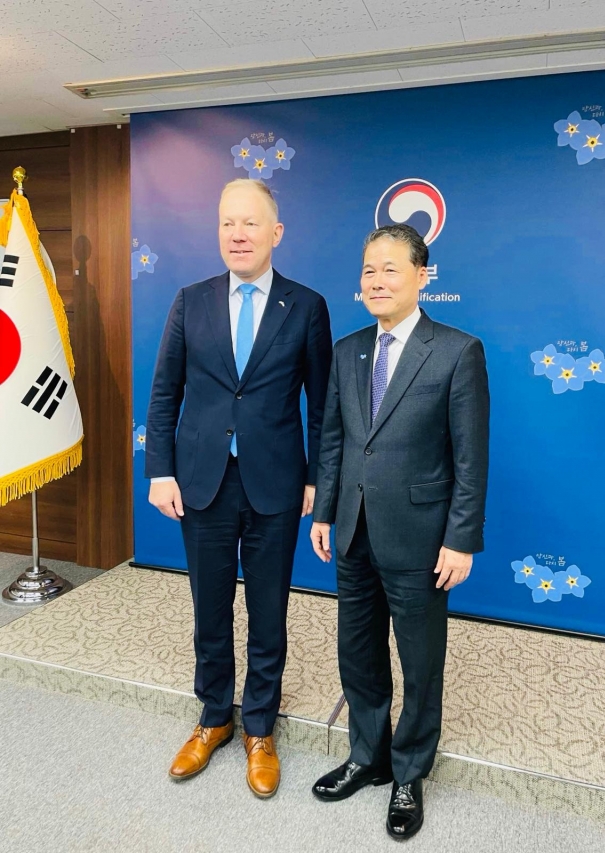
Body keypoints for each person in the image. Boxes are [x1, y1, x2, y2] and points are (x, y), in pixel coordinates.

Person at [145, 178, 332, 798]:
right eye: (228, 223)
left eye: (250, 224)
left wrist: (315, 480)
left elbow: (322, 405)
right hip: (202, 482)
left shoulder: (305, 306)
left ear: (275, 234)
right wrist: (160, 470)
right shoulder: (190, 300)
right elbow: (166, 390)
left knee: (269, 610)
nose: (237, 234)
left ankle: (259, 727)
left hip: (276, 484)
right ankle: (213, 717)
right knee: (209, 607)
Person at [310, 224, 489, 840]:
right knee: (357, 652)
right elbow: (333, 439)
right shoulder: (348, 348)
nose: (376, 281)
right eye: (367, 270)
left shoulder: (457, 350)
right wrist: (325, 512)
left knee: (420, 662)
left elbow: (471, 457)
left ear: (421, 276)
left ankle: (410, 770)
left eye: (389, 268)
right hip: (354, 532)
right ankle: (368, 756)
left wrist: (461, 538)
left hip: (421, 535)